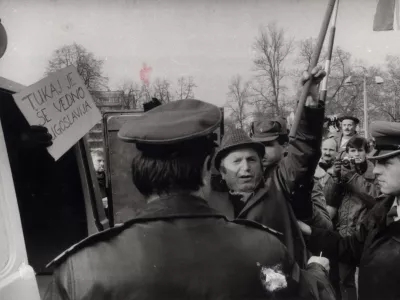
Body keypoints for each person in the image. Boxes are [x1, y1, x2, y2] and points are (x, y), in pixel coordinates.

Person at [44, 99, 333, 300]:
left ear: (138, 173)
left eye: (251, 160)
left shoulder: (81, 267)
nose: (245, 168)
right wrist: (317, 272)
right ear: (210, 167)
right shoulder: (265, 249)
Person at [208, 66, 326, 269]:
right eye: (236, 161)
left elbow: (303, 153)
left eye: (252, 160)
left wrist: (309, 105)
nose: (246, 167)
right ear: (222, 169)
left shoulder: (278, 186)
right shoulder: (209, 200)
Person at [298, 120, 400, 300]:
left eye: (386, 163)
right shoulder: (384, 210)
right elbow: (351, 247)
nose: (376, 170)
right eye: (376, 162)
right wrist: (308, 231)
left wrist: (351, 177)